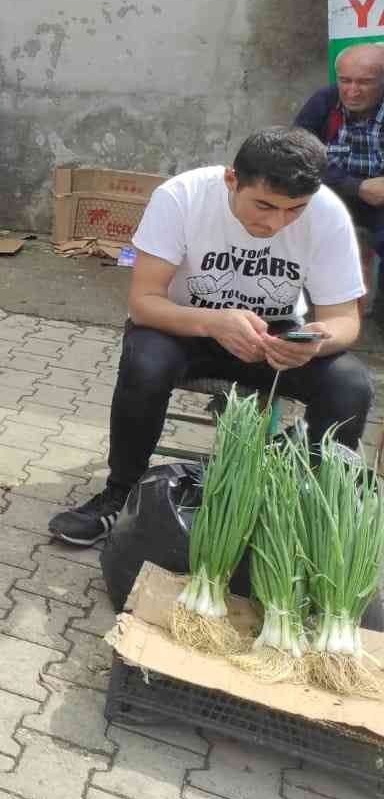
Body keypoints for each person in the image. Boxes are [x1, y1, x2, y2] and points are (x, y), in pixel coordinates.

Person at [49, 128, 372, 548]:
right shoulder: (181, 197)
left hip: (275, 339)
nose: (276, 222)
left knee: (350, 384)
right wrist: (213, 322)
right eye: (264, 205)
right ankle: (121, 493)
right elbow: (144, 302)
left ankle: (302, 514)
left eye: (294, 210)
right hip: (186, 327)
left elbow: (345, 320)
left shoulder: (327, 213)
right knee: (144, 361)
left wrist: (315, 340)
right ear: (231, 179)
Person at [295, 42, 384, 270]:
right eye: (345, 80)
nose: (352, 91)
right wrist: (357, 186)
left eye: (365, 82)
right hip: (334, 192)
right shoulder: (325, 100)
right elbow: (295, 155)